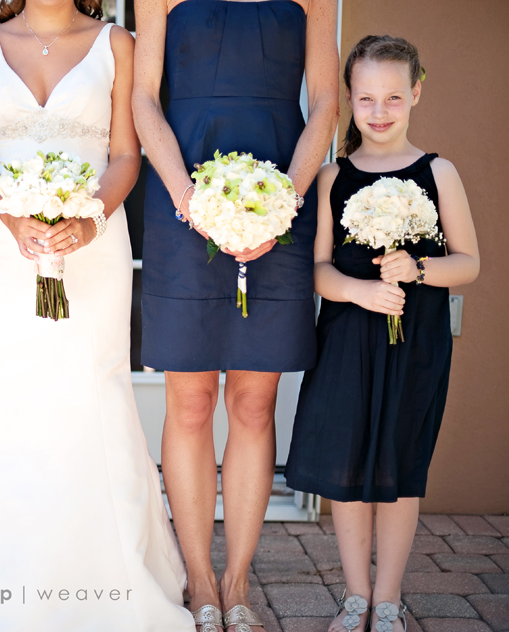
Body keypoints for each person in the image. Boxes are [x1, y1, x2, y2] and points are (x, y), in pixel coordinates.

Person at [0, 0, 196, 629]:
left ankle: (107, 573)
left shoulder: (118, 44)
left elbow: (125, 156)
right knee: (11, 391)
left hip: (95, 241)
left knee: (93, 387)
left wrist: (88, 223)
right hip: (6, 246)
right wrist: (14, 217)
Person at [132, 0, 339, 629]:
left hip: (281, 195)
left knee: (254, 402)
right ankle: (200, 581)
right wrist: (187, 198)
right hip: (182, 198)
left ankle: (238, 582)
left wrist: (283, 204)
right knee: (190, 402)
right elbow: (144, 100)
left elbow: (325, 102)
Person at [286, 35, 479, 632]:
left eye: (394, 97)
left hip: (415, 342)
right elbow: (318, 271)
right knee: (346, 470)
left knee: (399, 468)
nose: (379, 111)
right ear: (349, 98)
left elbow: (468, 263)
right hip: (347, 339)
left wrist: (418, 268)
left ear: (416, 93)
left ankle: (389, 599)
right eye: (366, 98)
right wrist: (360, 291)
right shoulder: (332, 176)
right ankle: (355, 596)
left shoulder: (438, 172)